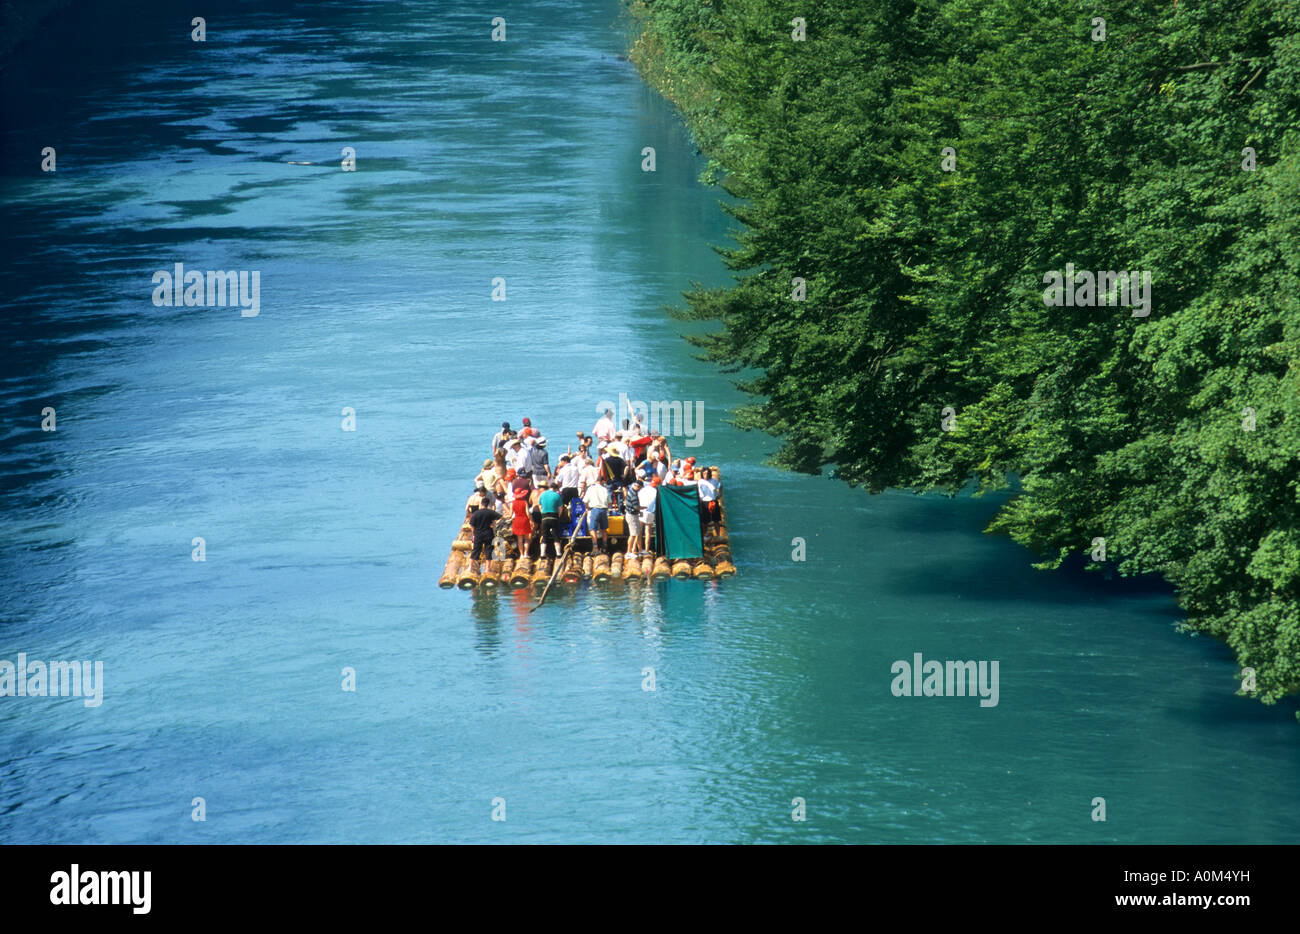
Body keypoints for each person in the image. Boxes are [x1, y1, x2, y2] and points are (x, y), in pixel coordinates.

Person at [537, 479, 565, 559]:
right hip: (554, 516)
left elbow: (540, 506)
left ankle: (542, 554)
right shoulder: (557, 495)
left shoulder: (542, 495)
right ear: (556, 489)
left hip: (545, 516)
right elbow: (560, 508)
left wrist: (542, 513)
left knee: (544, 535)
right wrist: (558, 516)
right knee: (556, 535)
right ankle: (558, 554)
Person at [583, 479, 610, 553]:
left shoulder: (590, 489)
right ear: (602, 481)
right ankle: (604, 547)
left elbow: (585, 501)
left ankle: (595, 548)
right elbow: (609, 503)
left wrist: (587, 508)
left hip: (594, 510)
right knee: (604, 530)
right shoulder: (605, 489)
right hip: (604, 510)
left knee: (592, 529)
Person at [638, 477, 659, 555]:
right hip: (649, 511)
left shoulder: (643, 489)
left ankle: (639, 549)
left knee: (639, 530)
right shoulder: (656, 492)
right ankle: (646, 550)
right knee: (648, 531)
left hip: (640, 510)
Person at [510, 488, 533, 557]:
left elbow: (511, 514)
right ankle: (526, 553)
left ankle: (521, 554)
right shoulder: (524, 502)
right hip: (524, 520)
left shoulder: (512, 503)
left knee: (519, 539)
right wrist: (531, 520)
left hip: (517, 520)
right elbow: (528, 514)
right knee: (527, 538)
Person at [624, 480, 644, 557]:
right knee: (633, 534)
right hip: (631, 516)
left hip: (631, 515)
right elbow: (636, 507)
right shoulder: (634, 495)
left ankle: (638, 550)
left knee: (637, 532)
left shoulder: (631, 491)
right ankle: (628, 552)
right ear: (638, 486)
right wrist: (644, 507)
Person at [697, 467, 720, 531]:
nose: (706, 475)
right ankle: (705, 535)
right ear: (702, 474)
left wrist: (719, 494)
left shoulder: (714, 480)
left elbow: (719, 486)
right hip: (705, 502)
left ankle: (718, 535)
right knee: (705, 521)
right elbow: (700, 493)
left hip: (713, 501)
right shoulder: (700, 482)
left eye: (707, 473)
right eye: (704, 473)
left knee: (716, 520)